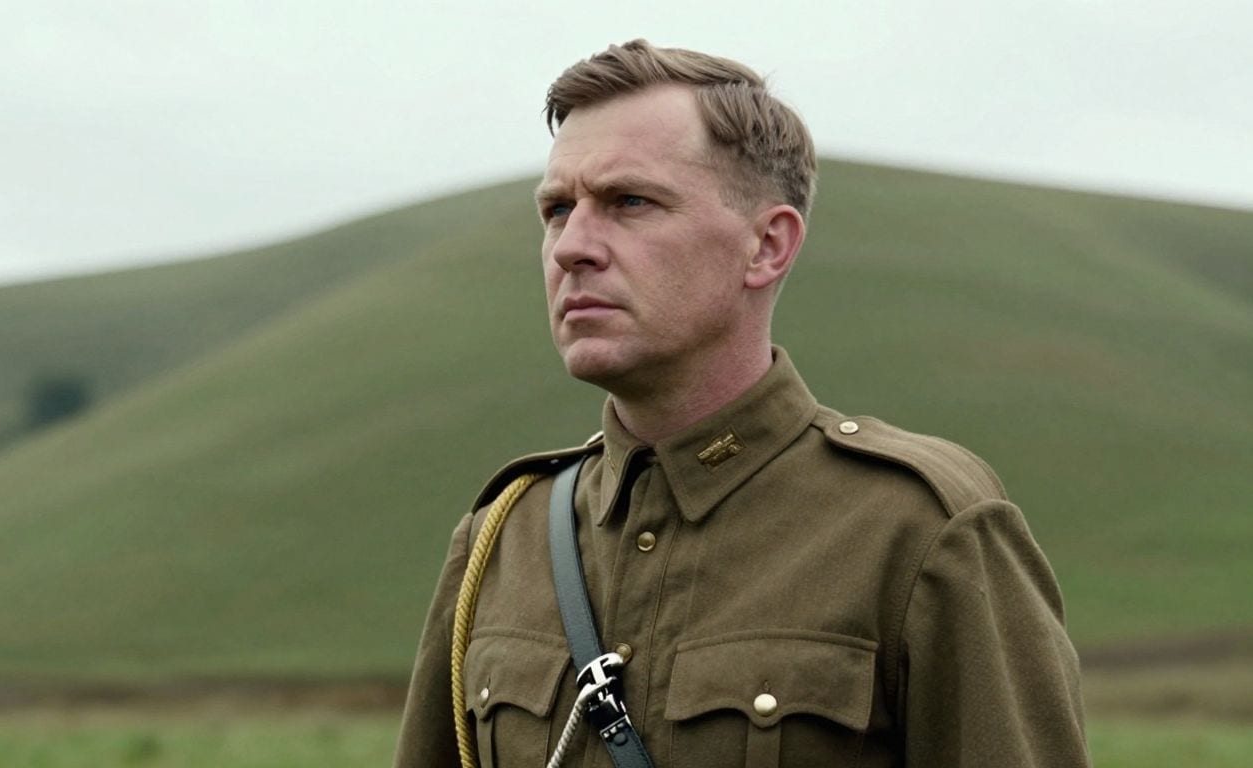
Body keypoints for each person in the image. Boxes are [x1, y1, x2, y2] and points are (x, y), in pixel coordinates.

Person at [395, 39, 1089, 767]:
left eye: (630, 202)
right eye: (557, 209)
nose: (573, 245)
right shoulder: (504, 539)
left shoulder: (917, 529)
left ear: (767, 245)